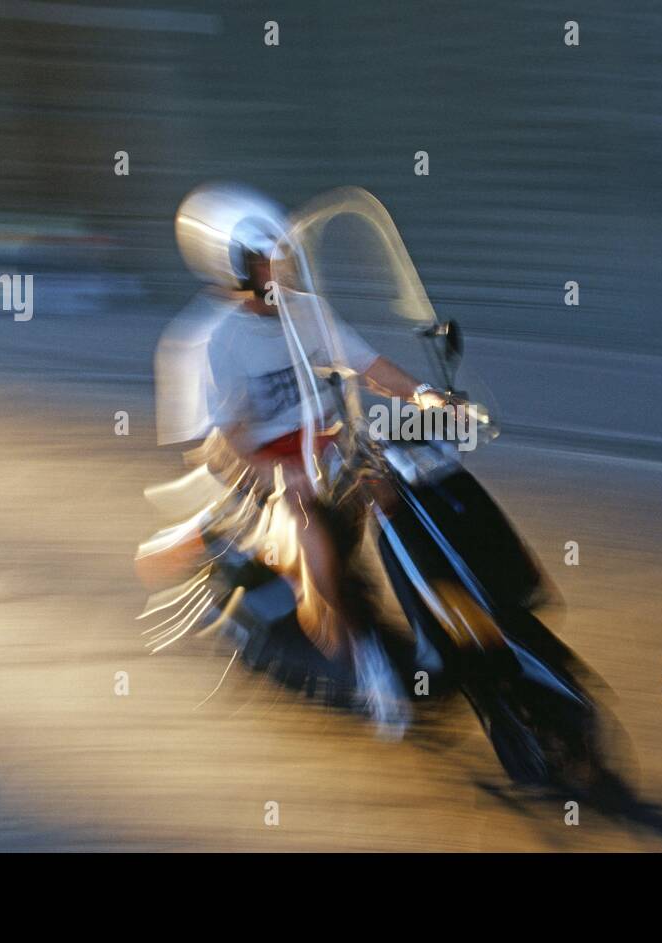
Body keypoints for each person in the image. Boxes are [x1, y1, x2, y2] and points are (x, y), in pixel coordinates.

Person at [155, 183, 445, 737]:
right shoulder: (215, 343)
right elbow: (229, 445)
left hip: (326, 449)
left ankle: (441, 614)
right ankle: (362, 664)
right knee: (310, 532)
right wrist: (280, 475)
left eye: (284, 255)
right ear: (238, 266)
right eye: (268, 260)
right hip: (266, 476)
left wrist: (426, 394)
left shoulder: (305, 313)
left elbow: (368, 365)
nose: (282, 269)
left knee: (401, 491)